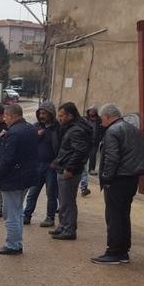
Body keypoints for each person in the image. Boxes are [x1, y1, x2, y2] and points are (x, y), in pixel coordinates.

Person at [92, 103, 144, 265]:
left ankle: (114, 252)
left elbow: (111, 158)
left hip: (118, 179)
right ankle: (123, 251)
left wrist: (107, 179)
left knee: (114, 216)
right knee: (123, 215)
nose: (101, 122)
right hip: (131, 178)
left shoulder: (113, 131)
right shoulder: (134, 130)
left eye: (102, 119)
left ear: (108, 117)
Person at [0, 103, 38, 255]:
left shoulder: (13, 133)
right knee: (18, 211)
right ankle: (16, 242)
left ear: (11, 115)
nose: (5, 119)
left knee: (10, 213)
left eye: (6, 116)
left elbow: (7, 158)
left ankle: (12, 244)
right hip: (26, 177)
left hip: (12, 179)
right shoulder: (31, 129)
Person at [49, 102, 91, 241]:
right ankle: (63, 226)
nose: (59, 118)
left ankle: (69, 229)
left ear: (70, 115)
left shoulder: (76, 130)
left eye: (61, 116)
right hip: (64, 167)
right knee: (63, 200)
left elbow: (79, 151)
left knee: (67, 201)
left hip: (69, 171)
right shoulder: (70, 127)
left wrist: (69, 168)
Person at [23, 101, 59, 227]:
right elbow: (27, 143)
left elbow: (62, 147)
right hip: (37, 165)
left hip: (51, 166)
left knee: (51, 194)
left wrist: (57, 162)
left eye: (45, 113)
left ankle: (50, 217)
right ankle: (26, 215)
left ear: (51, 114)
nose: (42, 115)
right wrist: (35, 136)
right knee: (32, 193)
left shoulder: (57, 128)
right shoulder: (36, 127)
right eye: (40, 113)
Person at [79, 105, 103, 196]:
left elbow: (102, 129)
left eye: (93, 111)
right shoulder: (84, 120)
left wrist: (100, 137)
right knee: (82, 166)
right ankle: (83, 187)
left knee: (92, 156)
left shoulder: (99, 120)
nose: (91, 112)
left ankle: (91, 170)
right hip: (85, 143)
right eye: (90, 110)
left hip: (95, 141)